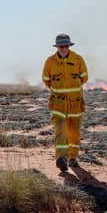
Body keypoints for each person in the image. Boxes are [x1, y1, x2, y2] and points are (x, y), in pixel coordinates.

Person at [42, 33, 88, 172]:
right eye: (61, 46)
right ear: (57, 47)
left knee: (74, 132)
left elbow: (84, 78)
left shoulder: (78, 59)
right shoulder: (50, 62)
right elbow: (46, 80)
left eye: (65, 46)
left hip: (75, 103)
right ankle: (61, 158)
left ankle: (73, 158)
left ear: (69, 46)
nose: (63, 48)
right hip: (58, 104)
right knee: (60, 130)